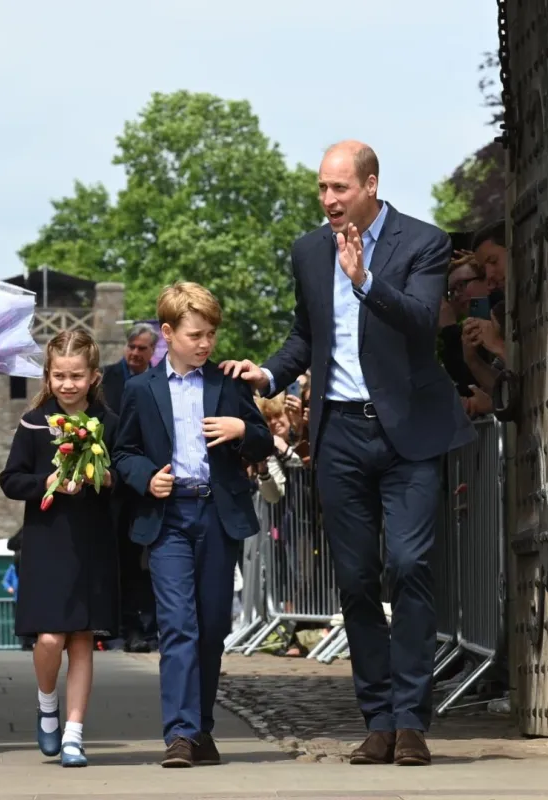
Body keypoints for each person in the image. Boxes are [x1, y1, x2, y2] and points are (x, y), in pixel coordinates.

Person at [224, 141, 473, 767]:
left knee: (411, 565)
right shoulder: (309, 251)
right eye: (322, 190)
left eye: (340, 189)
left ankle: (414, 718)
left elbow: (421, 319)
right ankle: (380, 718)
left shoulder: (424, 242)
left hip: (409, 432)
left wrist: (365, 280)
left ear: (371, 184)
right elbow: (305, 337)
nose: (329, 201)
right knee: (357, 580)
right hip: (338, 437)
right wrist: (267, 376)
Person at [113, 282, 272, 768]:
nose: (206, 344)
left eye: (211, 335)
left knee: (212, 627)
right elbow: (124, 452)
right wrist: (147, 479)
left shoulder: (227, 384)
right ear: (169, 333)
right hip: (169, 519)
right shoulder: (142, 389)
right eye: (196, 334)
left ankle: (200, 727)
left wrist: (243, 430)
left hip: (217, 515)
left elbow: (264, 440)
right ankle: (179, 733)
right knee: (178, 626)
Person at [0, 330, 120, 768]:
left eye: (77, 376)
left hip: (92, 542)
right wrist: (48, 483)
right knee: (50, 638)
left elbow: (123, 474)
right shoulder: (34, 423)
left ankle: (74, 734)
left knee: (84, 640)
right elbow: (10, 480)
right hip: (47, 542)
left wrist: (107, 478)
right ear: (47, 378)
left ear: (94, 376)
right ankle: (46, 702)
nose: (68, 384)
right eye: (59, 376)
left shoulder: (108, 420)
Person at [101, 323, 160, 653]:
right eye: (132, 347)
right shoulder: (106, 379)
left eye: (143, 348)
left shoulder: (159, 381)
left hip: (149, 483)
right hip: (115, 487)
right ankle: (129, 627)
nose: (136, 353)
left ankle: (151, 626)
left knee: (148, 561)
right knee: (123, 561)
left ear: (152, 351)